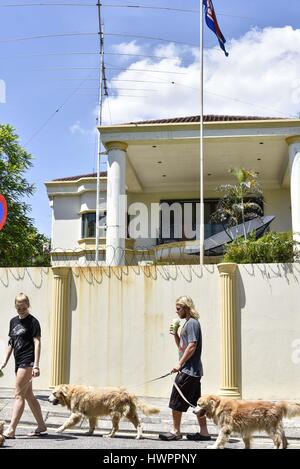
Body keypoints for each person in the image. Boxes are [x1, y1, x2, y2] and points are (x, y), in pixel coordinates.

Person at [159, 295, 211, 441]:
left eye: (178, 309)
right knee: (197, 403)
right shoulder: (187, 323)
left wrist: (179, 364)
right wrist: (175, 334)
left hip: (188, 371)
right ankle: (204, 433)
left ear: (186, 308)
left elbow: (192, 345)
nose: (176, 312)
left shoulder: (192, 323)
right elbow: (183, 347)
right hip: (192, 371)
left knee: (176, 400)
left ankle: (175, 431)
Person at [0, 293, 47, 438]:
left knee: (18, 395)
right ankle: (41, 425)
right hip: (17, 360)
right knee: (28, 395)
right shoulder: (13, 321)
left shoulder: (33, 322)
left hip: (27, 361)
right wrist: (4, 361)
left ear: (28, 305)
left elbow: (37, 342)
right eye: (19, 308)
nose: (21, 310)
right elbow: (11, 342)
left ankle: (11, 429)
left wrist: (36, 365)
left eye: (24, 307)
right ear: (16, 307)